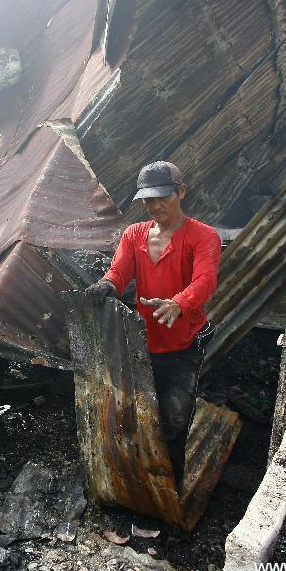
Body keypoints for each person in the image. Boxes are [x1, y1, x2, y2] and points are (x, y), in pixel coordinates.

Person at [85, 161, 221, 486]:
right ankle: (143, 485)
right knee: (141, 417)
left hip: (183, 346)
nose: (155, 206)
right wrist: (106, 285)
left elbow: (206, 280)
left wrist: (179, 303)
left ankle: (169, 493)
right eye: (148, 200)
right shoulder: (135, 235)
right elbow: (118, 271)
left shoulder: (204, 236)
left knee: (174, 422)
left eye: (163, 197)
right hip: (143, 344)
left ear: (181, 191)